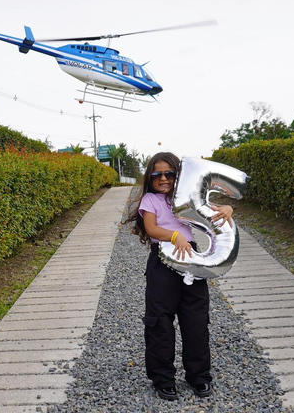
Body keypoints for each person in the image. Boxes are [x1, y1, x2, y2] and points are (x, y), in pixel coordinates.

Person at [125, 152, 233, 401]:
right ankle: (163, 379)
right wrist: (174, 236)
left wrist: (228, 208)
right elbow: (151, 228)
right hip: (162, 262)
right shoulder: (150, 200)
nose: (163, 178)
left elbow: (217, 210)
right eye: (157, 174)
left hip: (192, 261)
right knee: (159, 322)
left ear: (178, 175)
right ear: (150, 177)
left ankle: (199, 377)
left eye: (169, 173)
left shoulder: (188, 198)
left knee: (195, 319)